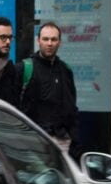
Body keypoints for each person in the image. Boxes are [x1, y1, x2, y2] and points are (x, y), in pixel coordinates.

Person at [18, 22, 79, 157]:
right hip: (33, 141)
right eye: (45, 39)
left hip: (62, 142)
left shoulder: (65, 70)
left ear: (59, 43)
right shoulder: (24, 68)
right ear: (38, 40)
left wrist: (73, 138)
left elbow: (72, 108)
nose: (49, 43)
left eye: (53, 39)